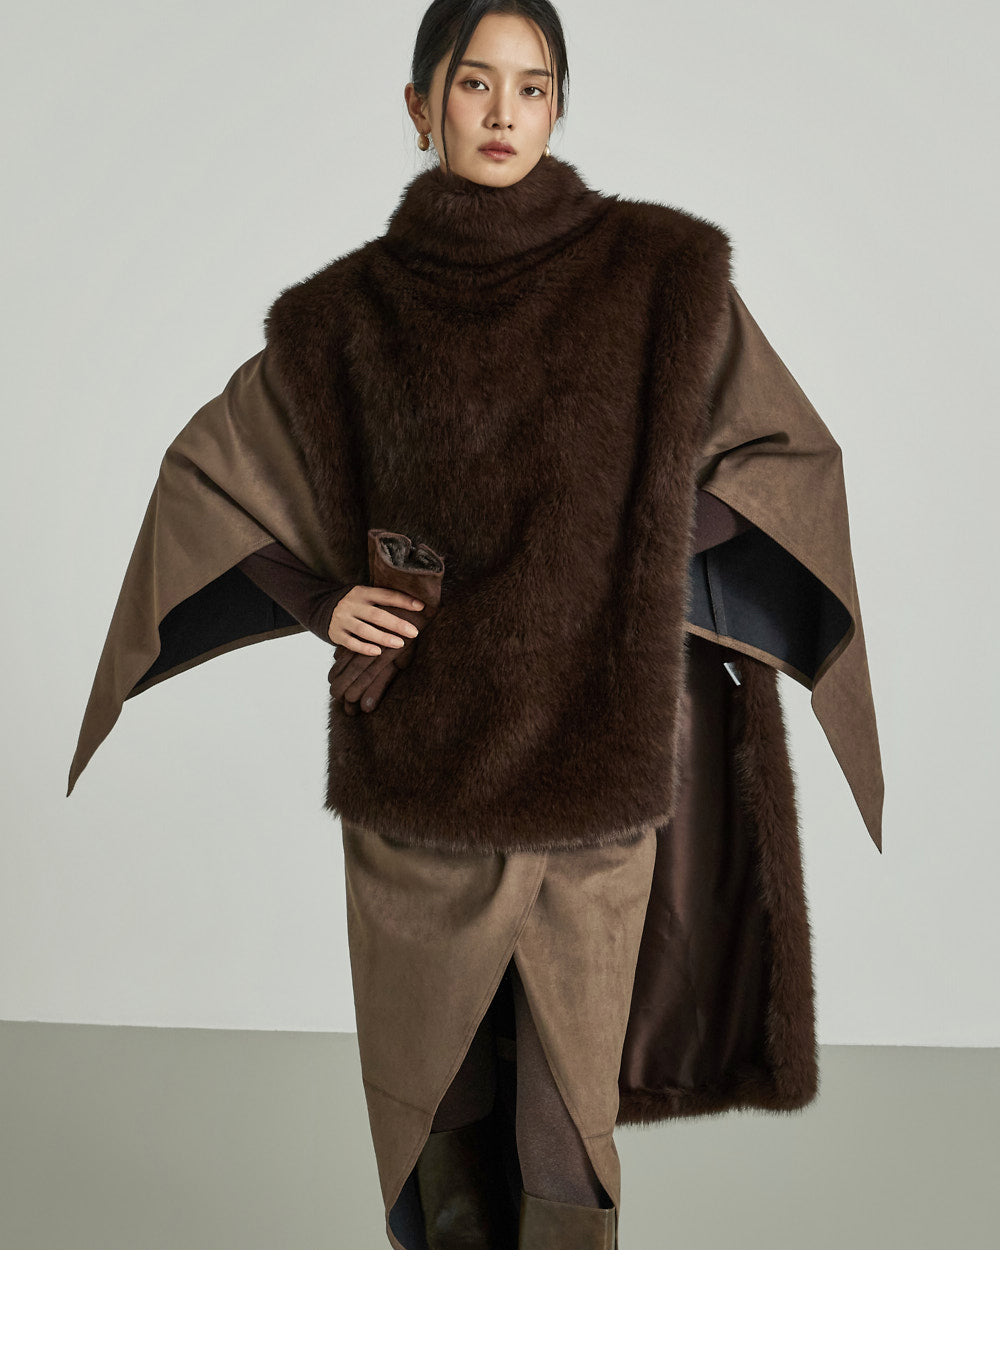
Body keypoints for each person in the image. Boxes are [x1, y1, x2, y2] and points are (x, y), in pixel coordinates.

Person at [68, 0, 883, 1250]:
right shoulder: (340, 316)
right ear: (419, 104)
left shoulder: (661, 276)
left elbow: (782, 462)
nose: (505, 112)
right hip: (415, 785)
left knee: (563, 1130)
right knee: (435, 1117)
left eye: (533, 86)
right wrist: (320, 598)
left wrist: (625, 551)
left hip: (591, 772)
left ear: (560, 107)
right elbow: (209, 480)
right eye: (474, 83)